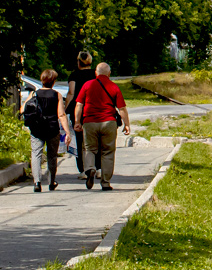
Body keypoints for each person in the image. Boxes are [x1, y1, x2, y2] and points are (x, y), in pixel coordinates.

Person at [73, 62, 130, 191]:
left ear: (96, 73)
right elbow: (122, 108)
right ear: (109, 74)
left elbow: (79, 105)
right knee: (108, 152)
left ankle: (90, 168)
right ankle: (105, 182)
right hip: (109, 123)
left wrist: (77, 121)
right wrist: (127, 124)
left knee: (89, 149)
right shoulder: (113, 86)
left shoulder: (87, 85)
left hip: (89, 122)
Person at [20, 69, 69, 192]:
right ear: (53, 81)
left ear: (42, 80)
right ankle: (51, 182)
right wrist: (67, 132)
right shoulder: (56, 95)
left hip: (37, 128)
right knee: (52, 156)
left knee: (36, 154)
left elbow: (22, 110)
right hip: (52, 128)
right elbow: (61, 114)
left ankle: (37, 182)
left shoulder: (34, 94)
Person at [65, 51, 97, 177]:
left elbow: (71, 93)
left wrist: (65, 108)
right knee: (95, 138)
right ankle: (97, 167)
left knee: (79, 140)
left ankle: (83, 169)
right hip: (93, 108)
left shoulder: (74, 75)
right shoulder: (95, 74)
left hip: (77, 109)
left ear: (79, 62)